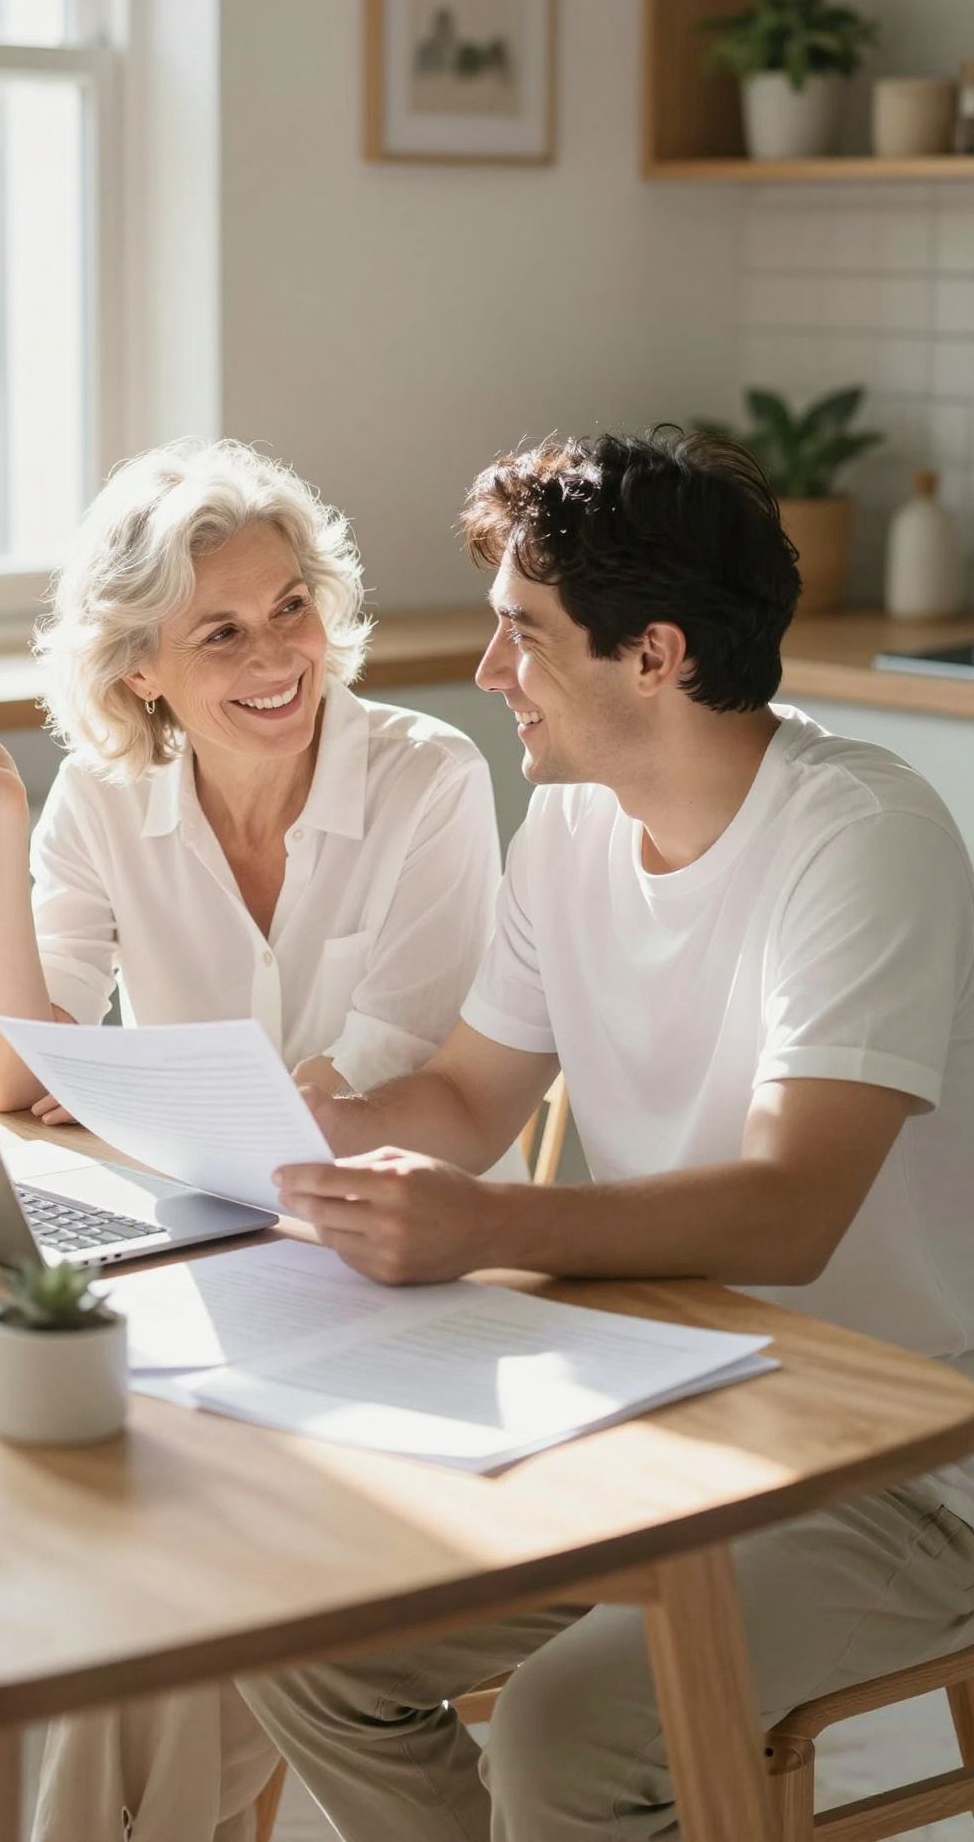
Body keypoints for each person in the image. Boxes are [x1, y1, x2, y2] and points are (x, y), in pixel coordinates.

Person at [241, 428, 974, 1842]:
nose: (486, 671)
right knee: (309, 1641)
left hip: (908, 1454)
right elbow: (465, 1099)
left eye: (522, 634)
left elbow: (789, 1211)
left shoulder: (864, 838)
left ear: (655, 653)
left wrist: (490, 1226)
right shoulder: (571, 827)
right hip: (665, 1396)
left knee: (571, 1731)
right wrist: (291, 1122)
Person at [0, 436, 506, 1842]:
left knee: (167, 1575)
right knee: (149, 1565)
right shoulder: (105, 800)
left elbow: (388, 1089)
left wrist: (143, 1107)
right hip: (226, 1267)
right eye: (219, 630)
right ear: (138, 673)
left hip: (407, 1273)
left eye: (293, 604)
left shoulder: (429, 779)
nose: (278, 651)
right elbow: (5, 1069)